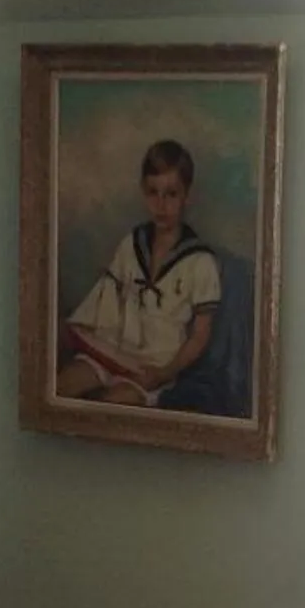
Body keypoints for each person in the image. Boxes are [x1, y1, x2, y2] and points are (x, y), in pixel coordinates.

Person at [59, 139, 221, 408]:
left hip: (154, 369)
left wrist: (164, 373)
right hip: (113, 352)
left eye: (171, 194)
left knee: (110, 407)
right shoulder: (132, 243)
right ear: (143, 192)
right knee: (61, 389)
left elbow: (200, 335)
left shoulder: (201, 261)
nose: (161, 204)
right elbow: (105, 302)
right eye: (152, 193)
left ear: (187, 196)